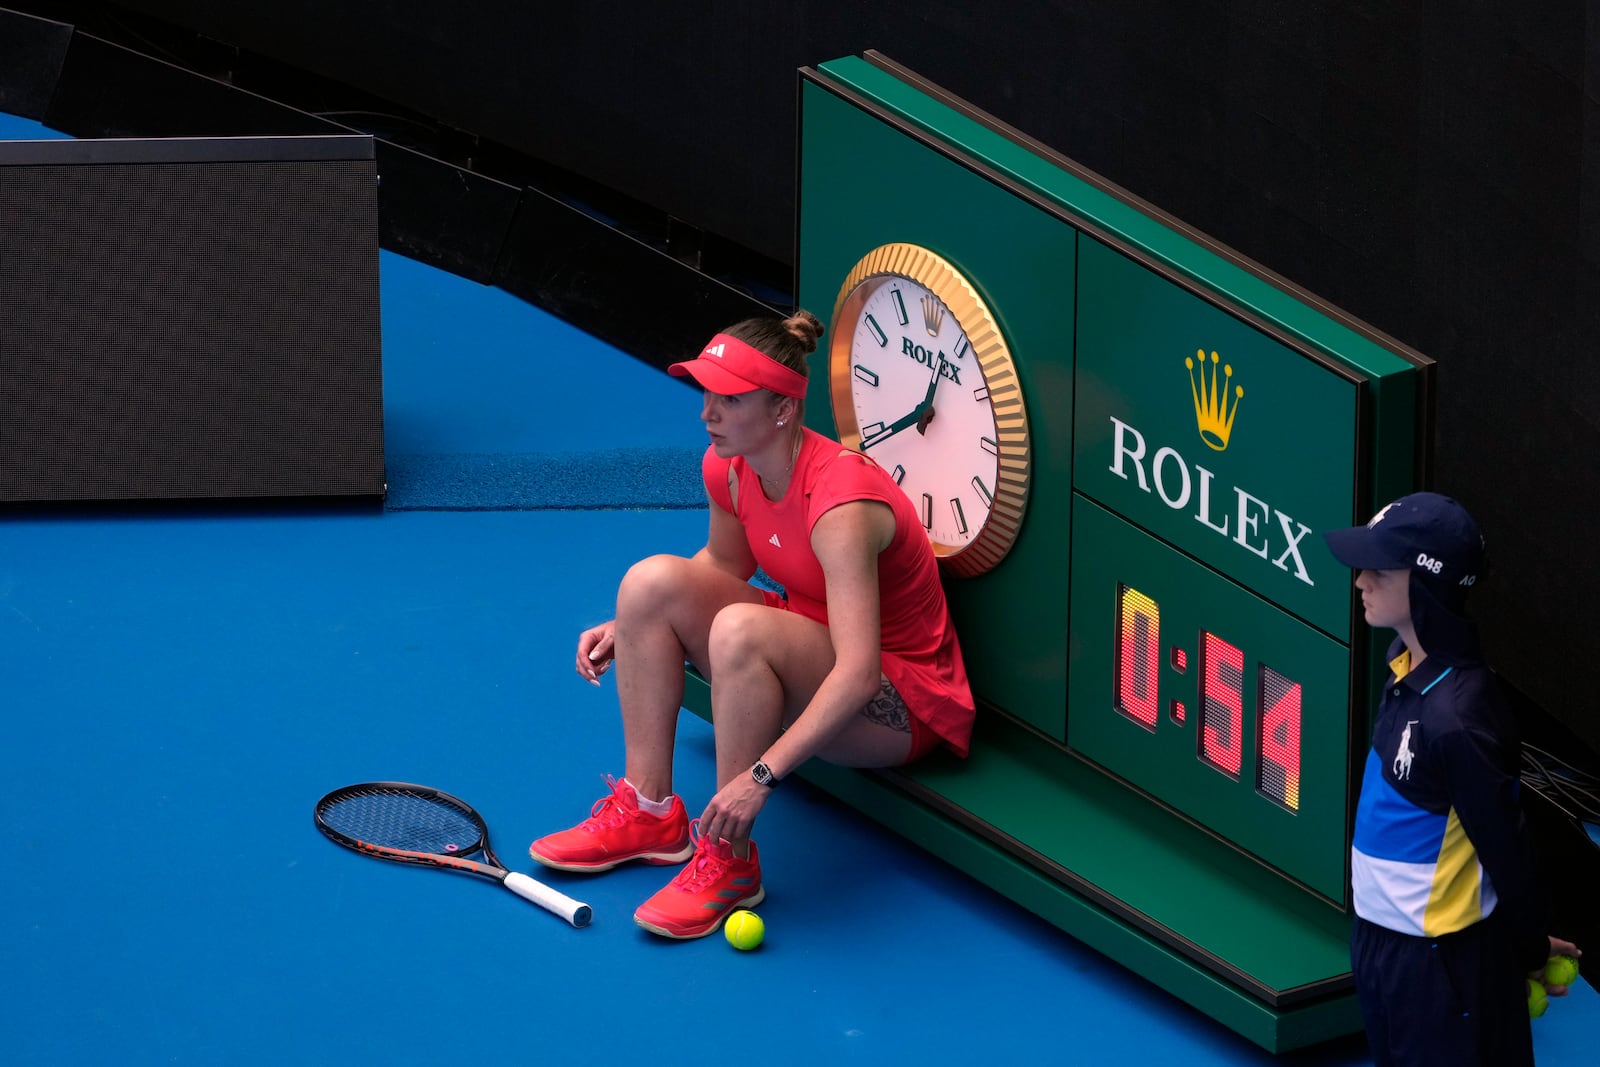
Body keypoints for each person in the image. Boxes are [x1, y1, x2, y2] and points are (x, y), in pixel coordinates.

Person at [529, 310, 975, 939]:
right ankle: (651, 812)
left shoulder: (841, 503)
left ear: (783, 411)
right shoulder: (730, 465)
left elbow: (858, 670)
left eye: (730, 400)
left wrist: (758, 778)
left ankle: (728, 860)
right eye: (707, 392)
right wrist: (631, 622)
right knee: (647, 583)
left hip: (903, 702)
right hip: (805, 645)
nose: (707, 412)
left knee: (740, 628)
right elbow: (722, 564)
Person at [1322, 492, 1582, 1066]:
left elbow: (1506, 847)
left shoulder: (1460, 719)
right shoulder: (1401, 662)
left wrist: (1529, 948)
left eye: (1379, 571)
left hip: (1445, 967)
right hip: (1379, 945)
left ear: (1425, 585)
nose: (1360, 581)